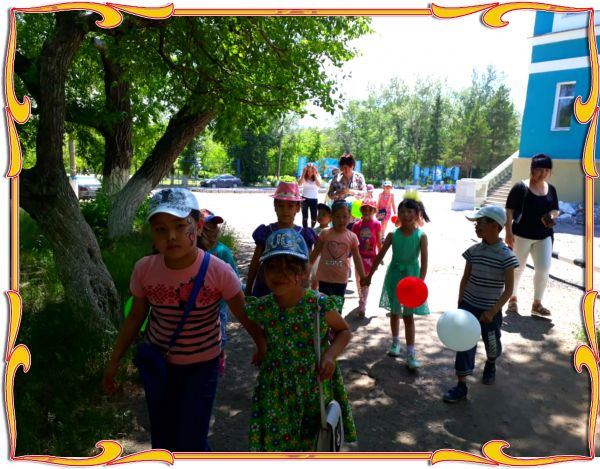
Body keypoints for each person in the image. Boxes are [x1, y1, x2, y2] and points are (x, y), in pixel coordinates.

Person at [102, 188, 265, 452]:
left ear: (198, 227)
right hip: (158, 366)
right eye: (161, 229)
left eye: (180, 226)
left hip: (202, 368)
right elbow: (135, 316)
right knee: (163, 436)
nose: (171, 236)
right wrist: (114, 361)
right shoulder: (144, 269)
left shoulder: (219, 271)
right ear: (152, 233)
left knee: (192, 439)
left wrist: (261, 344)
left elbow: (243, 313)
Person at [246, 228, 357, 451]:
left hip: (313, 386)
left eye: (290, 268)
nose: (280, 274)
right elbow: (265, 332)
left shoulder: (318, 305)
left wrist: (330, 355)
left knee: (311, 444)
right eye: (272, 267)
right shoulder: (264, 307)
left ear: (304, 272)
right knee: (277, 444)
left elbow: (344, 331)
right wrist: (262, 349)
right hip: (275, 388)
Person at [443, 205, 519, 403]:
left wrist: (493, 311)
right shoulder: (473, 251)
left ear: (495, 226)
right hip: (469, 307)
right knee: (464, 345)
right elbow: (465, 278)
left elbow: (509, 290)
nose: (476, 227)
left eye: (480, 223)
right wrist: (461, 302)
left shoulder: (507, 256)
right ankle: (461, 386)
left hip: (490, 312)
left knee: (492, 345)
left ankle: (491, 363)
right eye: (476, 224)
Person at [364, 193, 430, 370]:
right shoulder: (393, 235)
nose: (406, 215)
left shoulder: (421, 236)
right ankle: (395, 343)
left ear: (417, 214)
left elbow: (424, 263)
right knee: (394, 312)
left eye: (409, 212)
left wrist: (420, 283)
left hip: (412, 279)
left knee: (408, 316)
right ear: (398, 214)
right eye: (402, 212)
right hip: (394, 276)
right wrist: (369, 276)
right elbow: (379, 256)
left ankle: (411, 354)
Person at [504, 153, 559, 317]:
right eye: (540, 170)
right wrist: (508, 232)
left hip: (544, 236)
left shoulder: (551, 189)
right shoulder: (520, 187)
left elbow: (555, 209)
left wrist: (552, 216)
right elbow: (509, 210)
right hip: (521, 235)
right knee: (517, 269)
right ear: (532, 169)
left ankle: (537, 303)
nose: (543, 174)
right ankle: (512, 299)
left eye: (547, 170)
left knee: (544, 268)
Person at [245, 181, 317, 297]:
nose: (285, 210)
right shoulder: (266, 232)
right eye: (281, 205)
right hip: (265, 289)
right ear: (275, 207)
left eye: (290, 206)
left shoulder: (304, 235)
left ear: (298, 208)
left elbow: (308, 264)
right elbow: (255, 263)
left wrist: (310, 290)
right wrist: (248, 288)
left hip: (293, 290)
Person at [198, 208, 239, 376]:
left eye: (215, 227)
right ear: (199, 229)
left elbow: (234, 276)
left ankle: (218, 359)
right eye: (208, 227)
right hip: (197, 304)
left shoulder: (223, 251)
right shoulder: (193, 250)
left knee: (219, 335)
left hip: (218, 305)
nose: (213, 231)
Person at [309, 201, 367, 308]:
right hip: (324, 279)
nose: (341, 220)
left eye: (345, 216)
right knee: (324, 308)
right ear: (332, 217)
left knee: (337, 308)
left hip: (341, 279)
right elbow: (315, 253)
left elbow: (357, 258)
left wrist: (363, 276)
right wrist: (305, 270)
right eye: (337, 216)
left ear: (350, 217)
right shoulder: (325, 233)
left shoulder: (352, 237)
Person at [350, 199, 382, 318]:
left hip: (371, 258)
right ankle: (361, 298)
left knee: (366, 282)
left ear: (374, 211)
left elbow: (378, 241)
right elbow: (352, 241)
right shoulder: (356, 225)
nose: (367, 211)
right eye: (364, 209)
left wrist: (380, 256)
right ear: (361, 210)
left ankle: (362, 305)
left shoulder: (377, 224)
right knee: (359, 281)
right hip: (358, 258)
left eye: (370, 209)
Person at [310, 203, 332, 289]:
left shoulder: (331, 232)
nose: (320, 216)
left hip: (326, 260)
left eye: (324, 214)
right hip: (316, 259)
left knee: (324, 281)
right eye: (319, 214)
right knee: (314, 280)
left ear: (330, 218)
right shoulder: (313, 231)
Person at [297, 162, 322, 228]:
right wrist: (303, 173)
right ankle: (305, 230)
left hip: (314, 199)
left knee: (314, 217)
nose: (309, 173)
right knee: (304, 216)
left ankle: (312, 229)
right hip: (304, 199)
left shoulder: (317, 176)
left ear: (314, 171)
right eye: (308, 171)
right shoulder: (304, 176)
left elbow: (319, 185)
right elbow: (299, 184)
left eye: (311, 171)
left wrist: (315, 174)